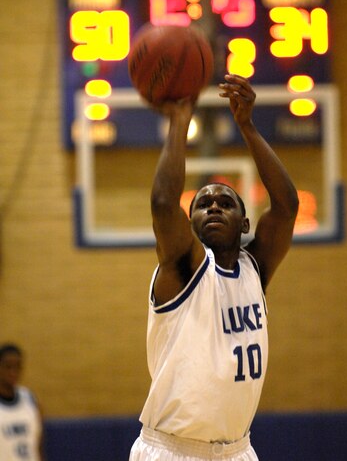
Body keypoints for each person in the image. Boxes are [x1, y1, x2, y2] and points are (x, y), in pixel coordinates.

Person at [129, 74, 299, 460]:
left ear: (245, 224)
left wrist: (248, 127)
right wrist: (178, 121)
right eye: (203, 204)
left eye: (226, 202)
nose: (214, 206)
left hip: (238, 450)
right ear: (189, 225)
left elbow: (286, 205)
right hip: (173, 450)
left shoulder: (254, 268)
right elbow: (161, 203)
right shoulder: (184, 269)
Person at [0, 343, 45, 461]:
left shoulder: (29, 398)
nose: (13, 372)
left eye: (17, 366)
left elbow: (38, 444)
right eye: (8, 366)